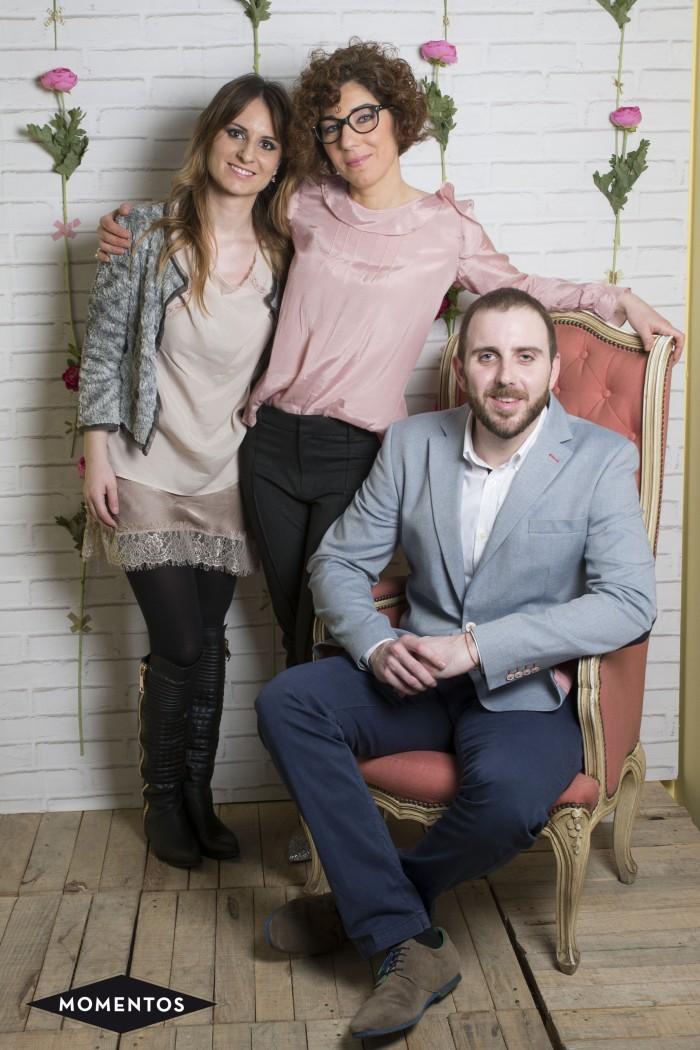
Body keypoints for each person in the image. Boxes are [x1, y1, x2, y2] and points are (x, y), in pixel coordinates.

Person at [94, 40, 683, 676]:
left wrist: (616, 297)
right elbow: (226, 211)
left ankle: (324, 745)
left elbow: (525, 290)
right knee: (289, 627)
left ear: (398, 117)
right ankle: (304, 753)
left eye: (364, 117)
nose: (350, 140)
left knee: (325, 628)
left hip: (357, 452)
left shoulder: (446, 228)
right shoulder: (305, 202)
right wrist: (137, 225)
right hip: (266, 443)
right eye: (331, 128)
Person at [253, 287, 657, 1040]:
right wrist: (376, 643)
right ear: (463, 370)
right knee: (288, 701)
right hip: (418, 676)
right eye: (488, 356)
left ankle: (370, 914)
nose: (507, 375)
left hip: (525, 690)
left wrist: (479, 646)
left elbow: (630, 603)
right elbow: (338, 562)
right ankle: (410, 945)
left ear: (552, 369)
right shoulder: (413, 444)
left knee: (507, 803)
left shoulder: (602, 459)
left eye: (526, 357)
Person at [78, 74, 291, 869]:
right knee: (176, 638)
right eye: (237, 132)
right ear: (208, 138)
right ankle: (162, 797)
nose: (248, 152)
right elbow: (103, 348)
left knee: (209, 638)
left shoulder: (282, 256)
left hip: (227, 476)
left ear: (279, 165)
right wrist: (96, 447)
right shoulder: (142, 231)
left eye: (267, 142)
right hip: (145, 469)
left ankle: (199, 796)